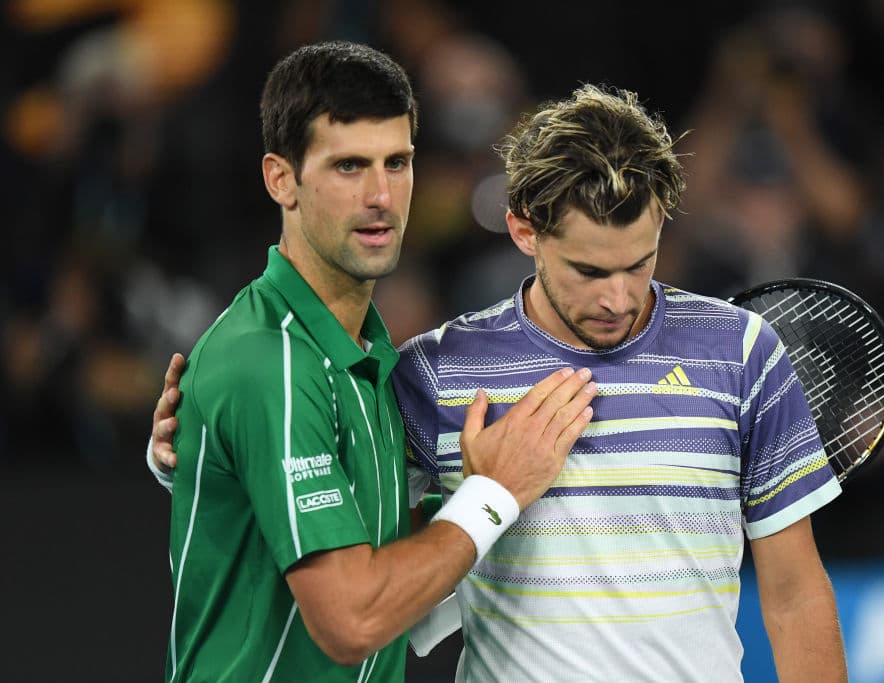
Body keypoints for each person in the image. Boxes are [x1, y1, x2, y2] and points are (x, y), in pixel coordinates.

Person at [153, 82, 846, 680]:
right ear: (523, 230)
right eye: (589, 271)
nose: (619, 297)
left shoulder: (744, 350)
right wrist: (201, 451)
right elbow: (334, 533)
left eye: (640, 262)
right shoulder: (433, 372)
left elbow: (793, 593)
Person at [151, 40, 596, 682]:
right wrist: (494, 495)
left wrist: (475, 507)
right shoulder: (270, 365)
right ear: (282, 180)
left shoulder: (364, 359)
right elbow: (353, 622)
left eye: (398, 162)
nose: (382, 196)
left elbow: (401, 599)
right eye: (349, 166)